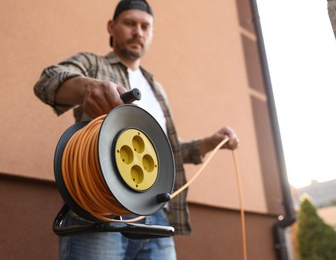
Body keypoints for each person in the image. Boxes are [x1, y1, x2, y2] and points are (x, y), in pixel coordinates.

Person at [34, 0, 239, 259]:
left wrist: (210, 143)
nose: (138, 32)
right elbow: (46, 81)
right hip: (101, 211)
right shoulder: (92, 63)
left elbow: (161, 154)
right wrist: (86, 88)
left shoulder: (156, 89)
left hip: (155, 213)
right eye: (130, 23)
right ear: (112, 27)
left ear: (151, 33)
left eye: (145, 26)